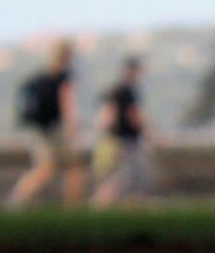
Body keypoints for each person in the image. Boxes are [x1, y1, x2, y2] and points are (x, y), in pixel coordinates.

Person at [8, 40, 86, 207]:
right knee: (68, 168)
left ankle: (18, 199)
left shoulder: (41, 77)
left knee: (50, 167)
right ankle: (72, 207)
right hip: (54, 130)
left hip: (41, 129)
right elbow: (66, 104)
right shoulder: (63, 77)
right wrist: (72, 127)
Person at [91, 56, 150, 206]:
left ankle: (133, 209)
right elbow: (134, 116)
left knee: (129, 178)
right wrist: (148, 133)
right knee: (127, 177)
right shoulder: (127, 91)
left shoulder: (116, 90)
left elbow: (105, 118)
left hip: (115, 138)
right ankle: (98, 205)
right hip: (126, 139)